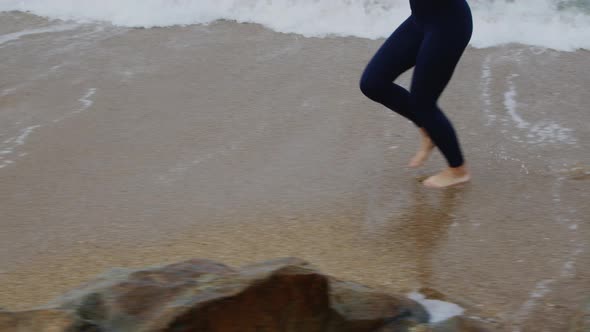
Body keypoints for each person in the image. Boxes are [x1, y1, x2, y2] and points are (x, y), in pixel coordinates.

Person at [359, 0, 473, 188]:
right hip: (420, 20)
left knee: (423, 103)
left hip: (449, 26)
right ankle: (429, 132)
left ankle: (458, 171)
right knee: (373, 83)